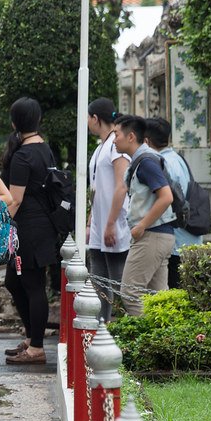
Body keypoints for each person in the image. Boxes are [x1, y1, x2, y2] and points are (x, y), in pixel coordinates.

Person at [0, 97, 61, 365]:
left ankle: (36, 347)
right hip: (43, 227)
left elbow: (16, 199)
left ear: (15, 122)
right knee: (15, 281)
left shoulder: (23, 155)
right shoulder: (45, 149)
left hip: (29, 230)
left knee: (33, 285)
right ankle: (31, 336)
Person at [113, 115, 175, 315]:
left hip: (151, 235)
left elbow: (166, 197)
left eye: (116, 134)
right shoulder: (144, 159)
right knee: (158, 300)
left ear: (131, 137)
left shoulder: (146, 162)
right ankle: (163, 343)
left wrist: (141, 226)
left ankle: (145, 343)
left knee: (131, 293)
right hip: (160, 235)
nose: (114, 140)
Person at [144, 117, 203, 289]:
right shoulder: (177, 159)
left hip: (177, 240)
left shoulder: (162, 163)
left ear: (146, 140)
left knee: (173, 292)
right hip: (188, 238)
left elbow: (167, 200)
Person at [86, 98, 131, 321]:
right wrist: (90, 220)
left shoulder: (116, 144)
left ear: (95, 118)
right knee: (99, 281)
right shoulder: (101, 146)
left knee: (117, 281)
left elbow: (121, 185)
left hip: (114, 223)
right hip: (99, 224)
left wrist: (111, 222)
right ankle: (100, 327)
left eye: (88, 117)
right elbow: (96, 187)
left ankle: (122, 330)